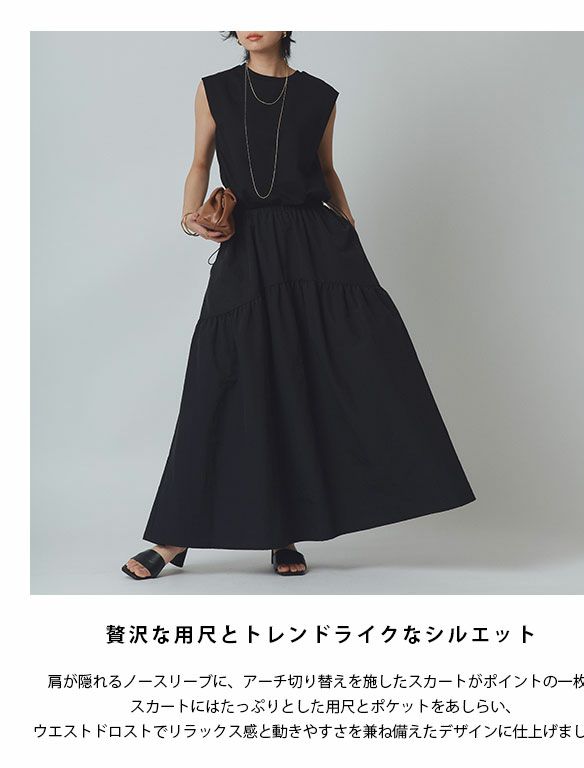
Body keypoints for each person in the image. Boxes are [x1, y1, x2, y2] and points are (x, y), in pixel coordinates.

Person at [122, 31, 476, 580]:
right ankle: (175, 535)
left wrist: (348, 224)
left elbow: (326, 171)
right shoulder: (214, 89)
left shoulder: (320, 95)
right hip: (248, 244)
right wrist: (190, 218)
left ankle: (284, 532)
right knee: (221, 376)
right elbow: (199, 165)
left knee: (310, 376)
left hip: (315, 246)